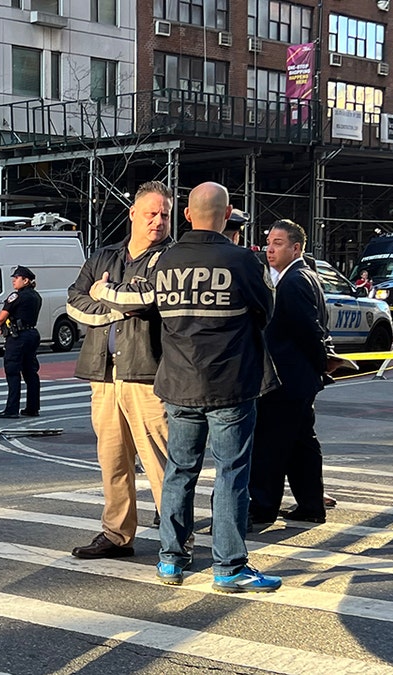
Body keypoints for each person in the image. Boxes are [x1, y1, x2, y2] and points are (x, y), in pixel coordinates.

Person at [93, 181, 282, 593]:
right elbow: (266, 312)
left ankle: (170, 561)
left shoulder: (164, 262)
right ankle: (229, 566)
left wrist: (100, 289)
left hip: (177, 382)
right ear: (228, 212)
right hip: (231, 383)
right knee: (232, 474)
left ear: (186, 215)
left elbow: (136, 305)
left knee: (179, 471)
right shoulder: (243, 262)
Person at [66, 180, 173, 560]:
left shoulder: (170, 258)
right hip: (104, 375)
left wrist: (104, 293)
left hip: (148, 374)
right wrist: (113, 306)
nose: (158, 221)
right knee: (112, 459)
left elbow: (148, 299)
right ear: (132, 214)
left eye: (164, 214)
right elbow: (73, 304)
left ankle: (176, 540)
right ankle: (116, 534)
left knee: (161, 461)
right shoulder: (103, 255)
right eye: (151, 214)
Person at [249, 220, 331, 525]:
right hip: (299, 378)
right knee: (300, 444)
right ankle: (310, 505)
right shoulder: (304, 275)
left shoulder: (294, 281)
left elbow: (309, 331)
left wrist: (318, 365)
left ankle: (263, 506)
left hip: (288, 379)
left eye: (278, 243)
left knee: (272, 444)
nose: (270, 249)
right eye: (269, 242)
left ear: (296, 247)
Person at [0, 265, 42, 419]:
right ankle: (32, 408)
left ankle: (11, 409)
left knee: (13, 371)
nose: (14, 281)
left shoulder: (16, 296)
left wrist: (2, 325)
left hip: (18, 337)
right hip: (32, 334)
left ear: (26, 280)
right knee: (30, 372)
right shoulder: (36, 296)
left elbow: (1, 317)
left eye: (17, 278)